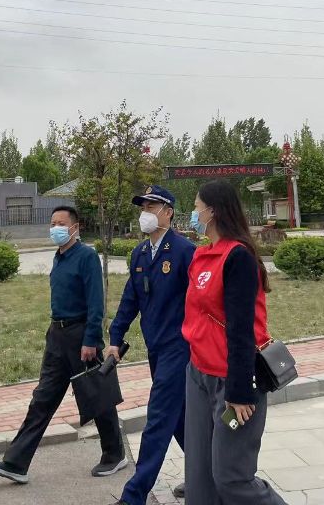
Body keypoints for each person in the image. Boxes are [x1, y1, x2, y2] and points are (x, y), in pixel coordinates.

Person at [0, 205, 127, 484]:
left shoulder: (86, 256)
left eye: (61, 224)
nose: (55, 229)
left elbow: (96, 302)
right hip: (57, 336)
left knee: (97, 396)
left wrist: (91, 339)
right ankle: (15, 462)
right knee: (43, 398)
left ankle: (114, 455)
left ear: (75, 227)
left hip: (80, 336)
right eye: (52, 224)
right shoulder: (59, 257)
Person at [181, 180, 286, 505]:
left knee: (231, 478)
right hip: (198, 374)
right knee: (199, 475)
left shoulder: (238, 257)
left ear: (212, 211)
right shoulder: (202, 255)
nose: (194, 213)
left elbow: (242, 330)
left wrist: (240, 392)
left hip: (233, 380)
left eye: (197, 207)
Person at [108, 185, 197, 505]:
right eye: (143, 207)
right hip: (155, 348)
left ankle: (134, 495)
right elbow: (130, 299)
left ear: (168, 212)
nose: (145, 213)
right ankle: (209, 474)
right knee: (180, 419)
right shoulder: (140, 253)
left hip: (180, 347)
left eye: (152, 207)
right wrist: (115, 338)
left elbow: (202, 301)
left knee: (159, 417)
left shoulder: (185, 251)